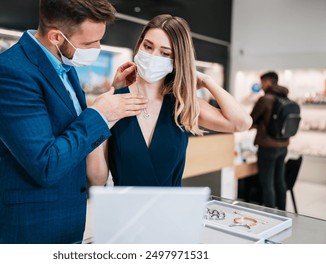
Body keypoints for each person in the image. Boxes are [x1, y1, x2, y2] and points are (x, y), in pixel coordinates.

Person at [0, 0, 147, 244]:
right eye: (90, 42)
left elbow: (67, 127)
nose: (98, 47)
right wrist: (99, 115)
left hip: (68, 226)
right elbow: (46, 164)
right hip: (29, 231)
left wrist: (113, 92)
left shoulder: (64, 67)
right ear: (57, 37)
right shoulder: (10, 73)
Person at [87, 14, 252, 187]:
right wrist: (98, 123)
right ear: (139, 45)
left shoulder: (181, 104)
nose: (153, 56)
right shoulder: (114, 102)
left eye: (165, 53)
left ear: (177, 60)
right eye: (148, 46)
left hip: (171, 210)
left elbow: (241, 123)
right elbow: (97, 179)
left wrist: (207, 81)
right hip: (124, 209)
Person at [250, 71, 289, 210]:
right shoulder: (285, 99)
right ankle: (283, 213)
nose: (260, 86)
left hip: (267, 147)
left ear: (267, 83)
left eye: (261, 83)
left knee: (267, 184)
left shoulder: (265, 99)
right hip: (283, 146)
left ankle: (271, 215)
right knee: (280, 180)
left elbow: (250, 120)